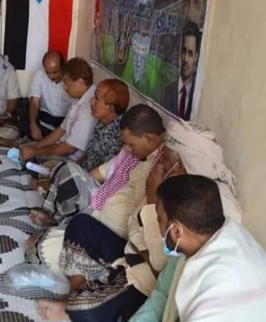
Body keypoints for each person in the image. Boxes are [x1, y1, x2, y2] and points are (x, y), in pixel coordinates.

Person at [36, 121, 244, 322]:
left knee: (87, 310)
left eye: (165, 159)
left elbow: (161, 266)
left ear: (181, 163)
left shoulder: (210, 204)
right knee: (81, 225)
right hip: (134, 253)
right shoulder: (176, 184)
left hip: (151, 277)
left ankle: (78, 305)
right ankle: (77, 288)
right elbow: (134, 225)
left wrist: (152, 198)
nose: (160, 162)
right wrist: (140, 243)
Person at [117, 175, 266, 322]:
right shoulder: (202, 241)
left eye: (159, 218)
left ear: (176, 231)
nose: (157, 225)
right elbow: (162, 293)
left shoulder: (221, 288)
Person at [25, 104, 165, 276]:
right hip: (96, 211)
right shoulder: (136, 155)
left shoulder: (156, 170)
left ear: (149, 139)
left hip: (109, 233)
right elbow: (97, 174)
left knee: (37, 253)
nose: (128, 148)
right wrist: (75, 185)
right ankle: (57, 222)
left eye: (131, 144)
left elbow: (140, 221)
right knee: (67, 170)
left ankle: (59, 228)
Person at [27, 79, 129, 228]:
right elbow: (88, 155)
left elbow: (105, 179)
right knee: (59, 169)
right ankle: (50, 201)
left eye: (97, 99)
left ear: (110, 107)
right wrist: (62, 174)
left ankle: (54, 217)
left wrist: (69, 177)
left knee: (64, 173)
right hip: (86, 175)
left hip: (97, 189)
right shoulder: (102, 122)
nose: (91, 101)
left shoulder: (118, 135)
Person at [20, 58, 97, 163]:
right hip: (60, 148)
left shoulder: (90, 107)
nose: (64, 88)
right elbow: (61, 129)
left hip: (69, 159)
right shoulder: (78, 98)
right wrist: (36, 146)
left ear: (80, 81)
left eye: (67, 84)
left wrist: (36, 152)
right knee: (23, 150)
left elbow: (69, 148)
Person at [28, 51, 73, 140]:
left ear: (63, 67)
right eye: (47, 73)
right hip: (43, 125)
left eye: (55, 72)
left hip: (65, 129)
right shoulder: (40, 75)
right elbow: (34, 102)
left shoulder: (72, 79)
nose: (51, 76)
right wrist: (33, 124)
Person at [164, 21, 201, 120]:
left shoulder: (197, 97)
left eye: (190, 53)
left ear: (196, 57)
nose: (185, 59)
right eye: (184, 51)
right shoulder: (167, 92)